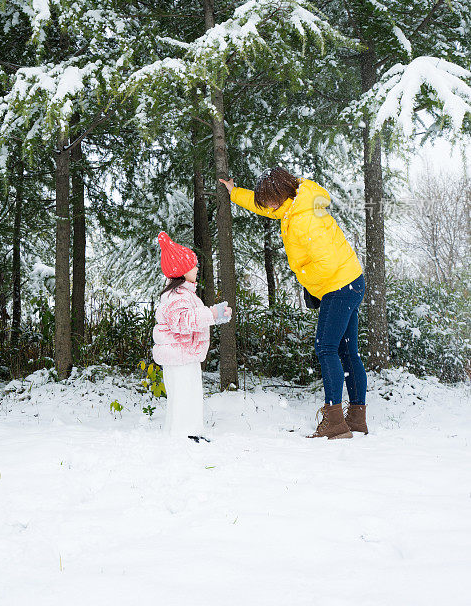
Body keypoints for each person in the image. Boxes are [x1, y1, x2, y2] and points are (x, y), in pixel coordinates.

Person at [219, 168, 368, 439]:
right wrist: (234, 193)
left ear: (281, 194)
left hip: (337, 285)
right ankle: (356, 418)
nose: (270, 205)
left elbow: (325, 262)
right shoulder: (297, 201)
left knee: (326, 348)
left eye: (271, 199)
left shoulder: (304, 218)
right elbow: (265, 208)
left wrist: (311, 287)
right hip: (350, 280)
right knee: (348, 351)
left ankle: (335, 421)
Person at [153, 231, 232, 442]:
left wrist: (216, 315)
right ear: (181, 270)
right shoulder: (176, 296)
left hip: (184, 355)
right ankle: (184, 435)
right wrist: (211, 314)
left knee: (189, 394)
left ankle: (185, 432)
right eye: (193, 266)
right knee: (184, 395)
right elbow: (182, 322)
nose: (197, 268)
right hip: (179, 356)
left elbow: (192, 318)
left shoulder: (185, 294)